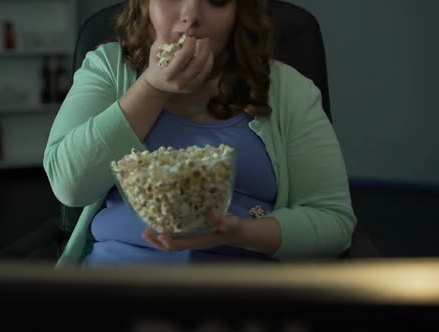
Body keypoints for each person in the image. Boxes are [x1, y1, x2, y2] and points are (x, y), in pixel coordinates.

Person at [43, 0, 357, 267]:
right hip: (117, 283)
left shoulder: (289, 90)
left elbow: (333, 221)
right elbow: (70, 185)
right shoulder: (108, 67)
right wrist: (151, 87)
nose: (191, 15)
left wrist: (241, 233)